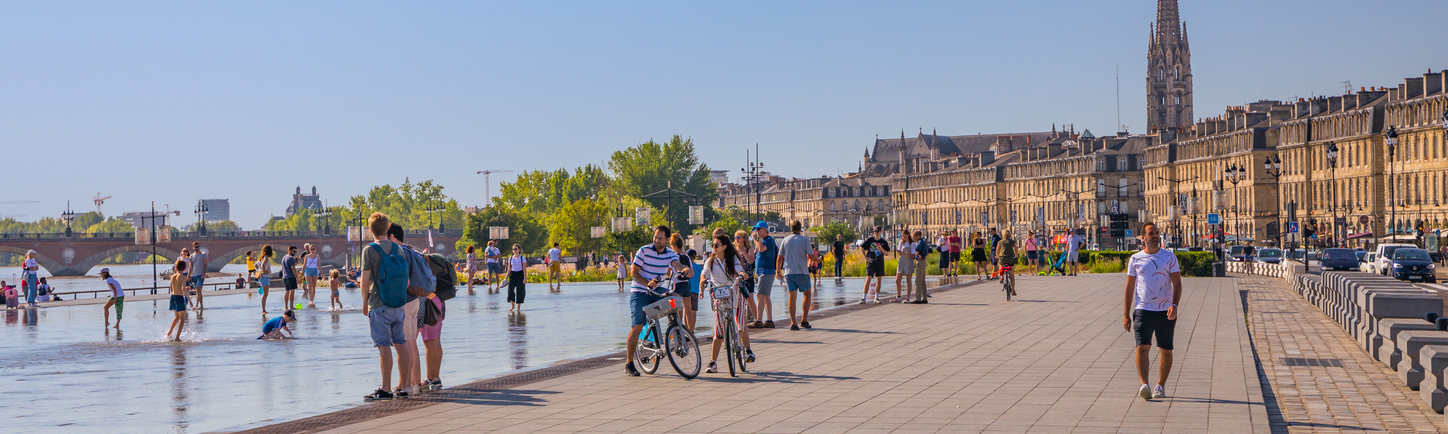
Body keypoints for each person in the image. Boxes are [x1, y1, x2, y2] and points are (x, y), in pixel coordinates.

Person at [623, 225, 694, 377]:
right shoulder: (644, 250)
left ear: (667, 240)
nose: (657, 241)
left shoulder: (670, 254)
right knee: (637, 326)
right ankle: (629, 363)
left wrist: (684, 269)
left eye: (660, 238)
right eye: (655, 237)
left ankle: (674, 328)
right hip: (640, 291)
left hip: (657, 290)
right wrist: (647, 282)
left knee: (674, 297)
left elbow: (677, 265)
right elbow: (633, 272)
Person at [360, 212, 416, 401]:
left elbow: (365, 281)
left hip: (379, 303)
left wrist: (364, 302)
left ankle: (385, 389)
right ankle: (404, 386)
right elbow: (406, 280)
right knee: (400, 344)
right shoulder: (398, 249)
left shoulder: (369, 250)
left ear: (370, 230)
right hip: (398, 304)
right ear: (387, 229)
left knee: (384, 346)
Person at [1123, 222, 1182, 401]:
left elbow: (1177, 284)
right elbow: (1129, 287)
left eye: (1157, 232)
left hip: (1165, 310)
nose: (1155, 235)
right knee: (1142, 347)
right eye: (1151, 233)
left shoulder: (1169, 257)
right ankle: (1144, 385)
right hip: (1143, 310)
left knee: (1165, 349)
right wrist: (1126, 314)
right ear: (1143, 237)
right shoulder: (1135, 259)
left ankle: (1160, 385)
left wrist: (1174, 305)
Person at [703, 233, 754, 373]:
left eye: (716, 245)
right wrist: (702, 280)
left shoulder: (733, 259)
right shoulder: (711, 261)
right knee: (718, 329)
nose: (713, 247)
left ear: (724, 247)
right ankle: (713, 362)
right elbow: (705, 272)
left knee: (740, 321)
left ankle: (748, 350)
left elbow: (739, 269)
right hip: (719, 296)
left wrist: (742, 274)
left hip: (734, 293)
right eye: (713, 245)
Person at [777, 220, 819, 330]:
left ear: (791, 229)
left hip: (789, 273)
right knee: (807, 294)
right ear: (800, 229)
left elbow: (779, 258)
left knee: (792, 297)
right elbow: (811, 256)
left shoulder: (785, 240)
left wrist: (778, 271)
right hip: (802, 272)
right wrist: (818, 260)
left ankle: (793, 323)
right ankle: (804, 320)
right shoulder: (805, 240)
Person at [752, 222, 778, 327]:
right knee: (766, 296)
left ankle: (759, 320)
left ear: (765, 229)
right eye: (756, 229)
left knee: (760, 295)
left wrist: (755, 240)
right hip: (764, 271)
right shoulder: (764, 241)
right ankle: (769, 320)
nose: (757, 231)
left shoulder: (768, 240)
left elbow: (762, 249)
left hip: (766, 271)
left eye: (758, 229)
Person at [734, 229, 759, 327]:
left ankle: (758, 319)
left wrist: (743, 251)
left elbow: (751, 261)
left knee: (750, 299)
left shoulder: (749, 249)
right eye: (735, 238)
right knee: (738, 300)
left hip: (748, 277)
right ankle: (740, 321)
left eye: (738, 237)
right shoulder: (735, 250)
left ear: (744, 239)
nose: (737, 239)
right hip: (738, 278)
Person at [861, 226, 890, 303]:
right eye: (874, 231)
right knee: (868, 279)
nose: (876, 233)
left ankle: (876, 297)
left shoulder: (883, 242)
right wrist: (866, 257)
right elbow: (862, 247)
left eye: (877, 231)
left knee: (879, 280)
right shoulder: (870, 240)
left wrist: (881, 249)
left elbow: (887, 253)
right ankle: (864, 298)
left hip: (879, 263)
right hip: (871, 262)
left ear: (880, 232)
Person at [165, 259, 191, 341]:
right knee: (182, 319)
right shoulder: (183, 277)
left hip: (173, 297)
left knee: (176, 317)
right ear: (184, 268)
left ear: (176, 268)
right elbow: (183, 289)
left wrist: (182, 288)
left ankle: (169, 332)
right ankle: (177, 337)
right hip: (179, 298)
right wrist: (189, 300)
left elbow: (171, 289)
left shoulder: (172, 277)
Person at [993, 230, 1018, 299]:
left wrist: (997, 257)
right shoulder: (1013, 242)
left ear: (1003, 235)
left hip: (1002, 258)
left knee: (1000, 264)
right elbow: (1016, 250)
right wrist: (1016, 257)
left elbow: (997, 251)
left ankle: (1001, 277)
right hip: (1010, 259)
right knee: (1012, 276)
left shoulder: (1000, 242)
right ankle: (1013, 290)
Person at [894, 231, 916, 303]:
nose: (904, 237)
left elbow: (913, 254)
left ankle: (908, 297)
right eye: (903, 236)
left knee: (908, 280)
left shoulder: (912, 244)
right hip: (901, 261)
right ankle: (898, 296)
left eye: (905, 236)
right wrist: (903, 253)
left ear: (908, 235)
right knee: (897, 279)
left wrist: (907, 254)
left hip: (909, 262)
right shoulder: (901, 242)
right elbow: (899, 251)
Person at [910, 230, 932, 303]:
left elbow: (917, 251)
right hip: (924, 261)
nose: (913, 238)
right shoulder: (924, 242)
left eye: (914, 236)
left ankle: (918, 298)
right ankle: (924, 298)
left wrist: (915, 256)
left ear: (918, 236)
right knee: (922, 281)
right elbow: (930, 250)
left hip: (920, 262)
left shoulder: (920, 243)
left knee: (918, 281)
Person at [506, 244, 527, 312]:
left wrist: (525, 278)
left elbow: (524, 268)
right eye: (513, 249)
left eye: (515, 249)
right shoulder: (510, 258)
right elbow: (509, 268)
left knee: (520, 291)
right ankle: (512, 305)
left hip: (520, 274)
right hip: (512, 274)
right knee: (510, 290)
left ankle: (518, 307)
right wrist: (506, 277)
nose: (514, 250)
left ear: (519, 250)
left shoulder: (522, 258)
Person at [190, 241, 209, 310]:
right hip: (194, 275)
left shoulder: (204, 254)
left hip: (200, 275)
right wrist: (189, 275)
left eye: (198, 246)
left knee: (198, 288)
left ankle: (197, 305)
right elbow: (191, 266)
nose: (197, 248)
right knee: (198, 291)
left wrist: (204, 274)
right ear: (193, 248)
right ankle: (201, 305)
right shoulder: (192, 256)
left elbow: (206, 265)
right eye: (196, 247)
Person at [257, 245, 274, 314]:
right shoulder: (266, 258)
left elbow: (256, 265)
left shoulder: (261, 258)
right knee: (265, 294)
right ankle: (263, 310)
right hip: (265, 277)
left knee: (265, 294)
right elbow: (263, 264)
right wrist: (263, 271)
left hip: (263, 277)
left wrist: (259, 270)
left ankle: (264, 309)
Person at [303, 244, 321, 308]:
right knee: (310, 285)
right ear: (309, 250)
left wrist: (321, 272)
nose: (312, 250)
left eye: (313, 249)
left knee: (314, 286)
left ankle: (312, 299)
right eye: (311, 249)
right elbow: (304, 265)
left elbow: (319, 264)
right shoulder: (306, 256)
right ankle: (310, 299)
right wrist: (302, 272)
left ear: (315, 250)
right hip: (308, 270)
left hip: (315, 270)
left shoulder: (317, 256)